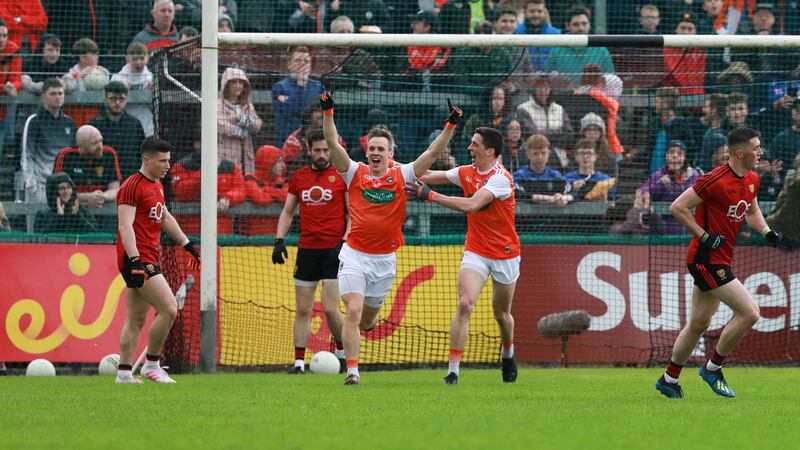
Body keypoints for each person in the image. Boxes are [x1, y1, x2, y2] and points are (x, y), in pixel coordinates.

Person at [321, 91, 461, 385]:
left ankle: (348, 342)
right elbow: (332, 143)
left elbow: (433, 154)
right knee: (354, 310)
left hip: (384, 260)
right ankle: (353, 371)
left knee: (367, 322)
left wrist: (450, 124)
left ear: (390, 153)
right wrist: (328, 111)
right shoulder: (353, 172)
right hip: (354, 255)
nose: (375, 152)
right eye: (371, 147)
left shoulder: (404, 174)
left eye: (380, 149)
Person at [655, 127, 785, 399]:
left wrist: (767, 232)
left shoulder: (752, 179)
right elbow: (677, 207)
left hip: (719, 259)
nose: (760, 152)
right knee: (750, 312)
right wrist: (703, 235)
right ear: (740, 153)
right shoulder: (713, 180)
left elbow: (752, 211)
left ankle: (669, 379)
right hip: (706, 260)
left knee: (698, 323)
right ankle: (713, 368)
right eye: (756, 148)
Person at [410, 126, 520, 385]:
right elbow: (425, 174)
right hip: (476, 251)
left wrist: (430, 195)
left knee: (502, 315)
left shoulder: (501, 178)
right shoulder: (465, 173)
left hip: (505, 254)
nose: (469, 148)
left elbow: (471, 205)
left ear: (489, 151)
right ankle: (453, 370)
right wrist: (392, 170)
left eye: (475, 144)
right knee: (464, 304)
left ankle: (508, 352)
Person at [115, 137, 202, 384]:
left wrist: (187, 245)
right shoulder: (132, 186)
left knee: (136, 318)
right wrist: (135, 261)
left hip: (146, 257)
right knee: (169, 308)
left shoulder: (157, 185)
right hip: (138, 259)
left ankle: (123, 373)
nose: (167, 165)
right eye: (162, 160)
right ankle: (151, 365)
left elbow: (164, 218)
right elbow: (125, 226)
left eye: (169, 160)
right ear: (147, 159)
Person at [272, 128, 349, 374]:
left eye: (326, 150)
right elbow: (287, 211)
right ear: (308, 150)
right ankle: (298, 363)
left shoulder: (341, 175)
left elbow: (352, 214)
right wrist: (279, 239)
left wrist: (345, 242)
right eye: (318, 150)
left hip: (334, 250)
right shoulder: (299, 177)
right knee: (303, 309)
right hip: (307, 250)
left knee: (329, 308)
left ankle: (341, 351)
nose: (322, 154)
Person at [21, 78, 76, 203]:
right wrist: (31, 185)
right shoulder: (34, 121)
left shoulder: (69, 122)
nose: (57, 97)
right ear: (43, 96)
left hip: (64, 187)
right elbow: (26, 156)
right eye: (52, 93)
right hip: (39, 186)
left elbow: (72, 155)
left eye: (60, 93)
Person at [637, 140, 702, 234]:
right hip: (666, 230)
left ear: (685, 158)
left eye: (679, 153)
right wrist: (660, 185)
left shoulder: (695, 176)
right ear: (666, 156)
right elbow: (644, 191)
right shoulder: (659, 175)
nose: (675, 156)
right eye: (671, 152)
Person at [53, 125, 122, 210]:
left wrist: (102, 196)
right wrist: (89, 196)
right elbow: (58, 192)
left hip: (103, 210)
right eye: (94, 143)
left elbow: (116, 189)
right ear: (81, 146)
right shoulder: (65, 156)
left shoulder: (109, 154)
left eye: (100, 141)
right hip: (73, 211)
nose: (100, 147)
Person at [89, 81, 147, 178]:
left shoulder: (135, 124)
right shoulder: (95, 124)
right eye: (113, 98)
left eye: (121, 99)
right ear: (105, 99)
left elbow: (142, 154)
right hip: (103, 178)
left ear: (126, 100)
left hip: (131, 178)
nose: (117, 102)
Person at [546, 6, 615, 84]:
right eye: (576, 24)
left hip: (595, 95)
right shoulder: (557, 50)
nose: (581, 28)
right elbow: (549, 79)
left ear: (589, 25)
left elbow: (611, 79)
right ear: (567, 26)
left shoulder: (601, 50)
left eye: (584, 24)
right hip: (565, 95)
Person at [273, 46, 323, 148]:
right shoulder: (280, 87)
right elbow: (291, 110)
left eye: (306, 61)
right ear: (289, 64)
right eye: (298, 61)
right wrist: (300, 85)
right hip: (287, 140)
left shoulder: (318, 86)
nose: (302, 64)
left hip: (314, 141)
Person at [219, 66, 263, 173]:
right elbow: (220, 125)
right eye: (234, 83)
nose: (238, 86)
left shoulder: (248, 106)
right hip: (227, 156)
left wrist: (241, 119)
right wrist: (239, 131)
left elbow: (257, 125)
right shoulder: (218, 104)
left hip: (246, 156)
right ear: (226, 85)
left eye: (241, 83)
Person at [111, 42, 155, 136]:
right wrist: (120, 88)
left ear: (147, 58)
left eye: (142, 58)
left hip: (147, 126)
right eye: (135, 59)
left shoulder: (152, 79)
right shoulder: (117, 78)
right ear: (127, 58)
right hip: (126, 128)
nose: (139, 62)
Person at [513, 134, 570, 205]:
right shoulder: (519, 176)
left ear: (548, 154)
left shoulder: (555, 176)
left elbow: (569, 190)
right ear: (528, 154)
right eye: (535, 154)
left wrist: (561, 197)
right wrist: (548, 198)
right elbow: (516, 193)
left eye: (543, 153)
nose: (540, 157)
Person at [0, 18, 21, 161]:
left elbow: (17, 78)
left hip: (3, 107)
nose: (2, 40)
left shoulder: (13, 50)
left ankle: (10, 143)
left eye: (4, 36)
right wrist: (4, 88)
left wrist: (13, 87)